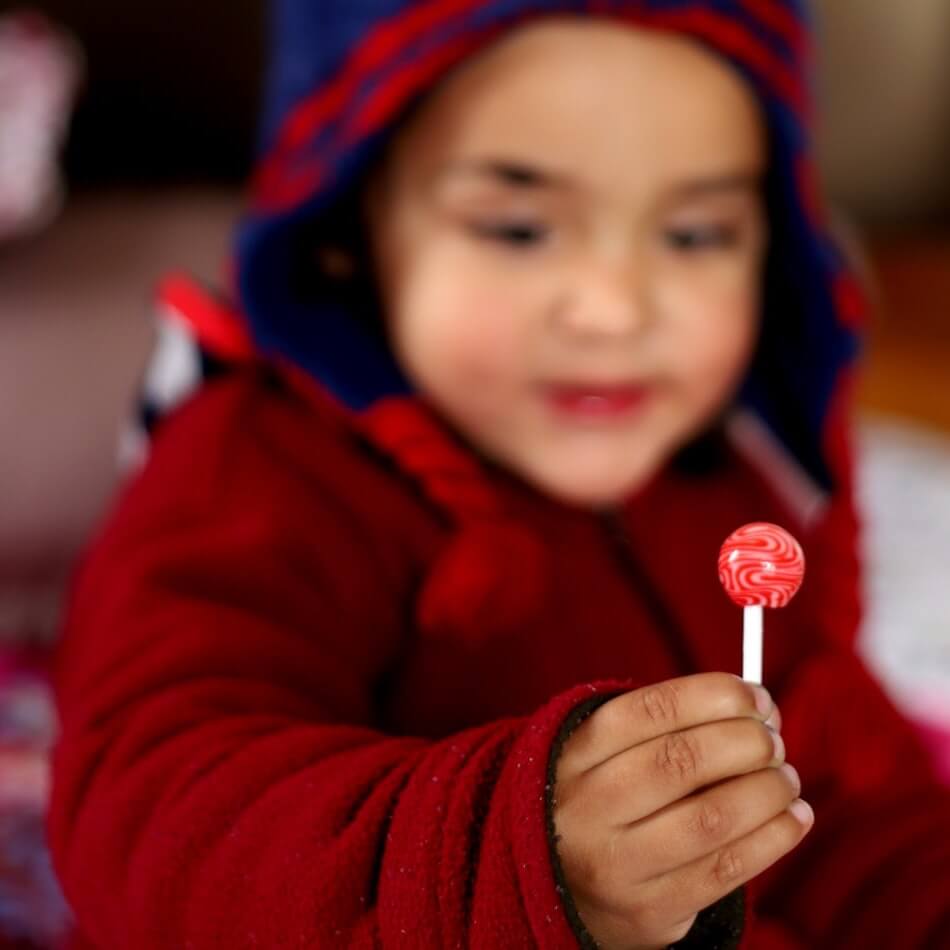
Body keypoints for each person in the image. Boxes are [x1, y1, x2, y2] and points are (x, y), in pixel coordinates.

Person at [47, 2, 950, 948]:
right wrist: (524, 858)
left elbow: (852, 807)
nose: (613, 311)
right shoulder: (255, 472)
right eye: (518, 229)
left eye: (695, 236)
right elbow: (154, 819)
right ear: (348, 230)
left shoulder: (731, 480)